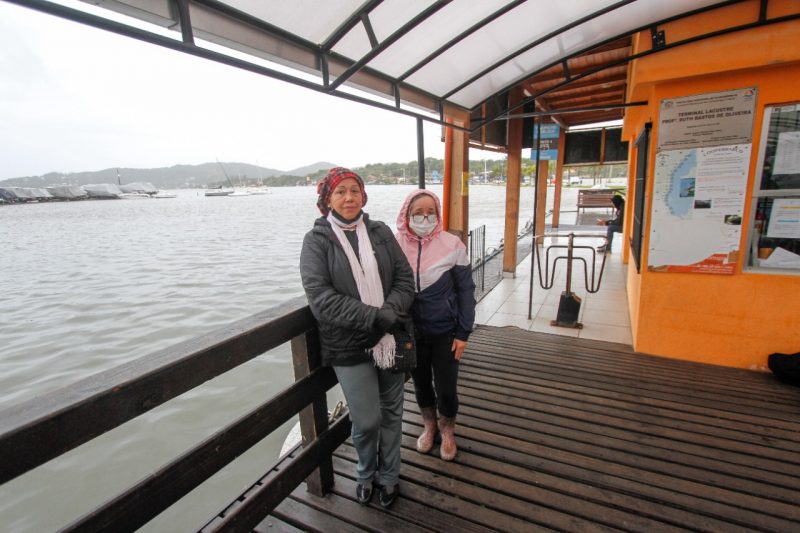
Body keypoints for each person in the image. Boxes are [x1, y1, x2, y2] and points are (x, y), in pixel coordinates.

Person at [299, 167, 415, 508]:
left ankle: (389, 475)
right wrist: (374, 317)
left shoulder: (379, 232)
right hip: (348, 345)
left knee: (393, 413)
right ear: (327, 199)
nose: (349, 197)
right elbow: (320, 298)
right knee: (366, 419)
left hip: (390, 339)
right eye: (340, 192)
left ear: (364, 195)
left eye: (354, 190)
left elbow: (405, 280)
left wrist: (389, 312)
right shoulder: (316, 240)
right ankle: (365, 473)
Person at [395, 189, 476, 461]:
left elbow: (466, 290)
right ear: (407, 215)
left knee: (446, 386)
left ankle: (448, 429)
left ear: (438, 214)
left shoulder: (453, 244)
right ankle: (429, 426)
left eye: (430, 211)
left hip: (446, 331)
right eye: (418, 212)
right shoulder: (394, 246)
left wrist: (463, 332)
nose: (424, 217)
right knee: (420, 385)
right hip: (412, 333)